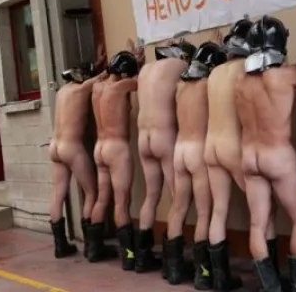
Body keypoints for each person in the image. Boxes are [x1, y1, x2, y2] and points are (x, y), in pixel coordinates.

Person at [236, 16, 296, 291]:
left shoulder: (239, 82)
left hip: (249, 158)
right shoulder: (288, 75)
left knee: (258, 223)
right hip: (278, 156)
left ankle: (271, 288)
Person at [204, 19, 277, 291]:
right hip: (233, 146)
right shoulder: (247, 68)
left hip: (211, 147)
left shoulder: (214, 73)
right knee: (264, 210)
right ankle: (269, 281)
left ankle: (220, 279)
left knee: (219, 210)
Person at [165, 42, 227, 289]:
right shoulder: (207, 85)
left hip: (179, 151)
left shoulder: (180, 87)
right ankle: (203, 273)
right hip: (198, 152)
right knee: (203, 213)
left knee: (178, 208)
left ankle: (173, 269)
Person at [135, 37, 196, 272]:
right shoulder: (180, 66)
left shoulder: (145, 71)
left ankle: (142, 257)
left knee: (151, 196)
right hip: (164, 137)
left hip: (144, 139)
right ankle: (174, 265)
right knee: (178, 199)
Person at [47, 47, 107, 259]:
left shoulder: (62, 92)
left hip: (55, 147)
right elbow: (103, 76)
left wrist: (95, 62)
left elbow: (90, 75)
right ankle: (91, 246)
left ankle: (60, 245)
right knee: (91, 192)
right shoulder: (83, 89)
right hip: (71, 147)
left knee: (58, 194)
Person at [89, 42, 144, 270]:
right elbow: (143, 81)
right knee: (122, 202)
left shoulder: (97, 87)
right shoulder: (121, 87)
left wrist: (129, 58)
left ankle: (93, 249)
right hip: (117, 149)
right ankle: (129, 256)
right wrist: (139, 62)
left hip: (100, 148)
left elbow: (111, 73)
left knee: (102, 199)